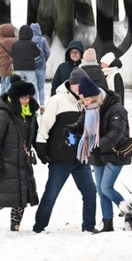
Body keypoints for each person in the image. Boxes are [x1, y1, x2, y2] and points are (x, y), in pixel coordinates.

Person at [32, 68, 97, 234]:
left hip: (80, 159)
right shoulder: (57, 100)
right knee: (51, 194)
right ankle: (39, 226)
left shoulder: (87, 101)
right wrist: (42, 150)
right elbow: (44, 126)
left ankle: (89, 225)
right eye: (78, 85)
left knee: (90, 192)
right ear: (72, 84)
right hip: (60, 158)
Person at [71, 76, 132, 233]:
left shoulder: (116, 108)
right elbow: (81, 123)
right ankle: (108, 223)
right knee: (100, 190)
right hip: (98, 153)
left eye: (87, 100)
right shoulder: (90, 108)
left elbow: (117, 133)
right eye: (83, 100)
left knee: (106, 187)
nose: (85, 103)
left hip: (115, 152)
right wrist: (71, 128)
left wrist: (100, 144)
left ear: (95, 97)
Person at [0, 74, 39, 232]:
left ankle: (15, 227)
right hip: (7, 161)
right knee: (6, 196)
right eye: (23, 98)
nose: (26, 100)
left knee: (22, 197)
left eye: (28, 97)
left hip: (24, 161)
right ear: (15, 98)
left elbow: (34, 136)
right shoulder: (4, 113)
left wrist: (44, 153)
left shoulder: (30, 113)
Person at [10, 25, 41, 103]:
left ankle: (19, 107)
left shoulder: (15, 44)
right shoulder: (32, 44)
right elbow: (38, 54)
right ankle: (33, 107)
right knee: (32, 88)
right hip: (30, 69)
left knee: (19, 89)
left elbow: (11, 55)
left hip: (18, 69)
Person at [0, 23, 18, 94]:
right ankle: (7, 103)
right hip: (8, 68)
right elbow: (21, 41)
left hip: (0, 69)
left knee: (3, 86)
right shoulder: (8, 41)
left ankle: (2, 101)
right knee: (9, 87)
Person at [30, 23, 50, 113]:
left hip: (32, 67)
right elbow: (48, 52)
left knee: (33, 87)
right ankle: (42, 105)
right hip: (41, 67)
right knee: (41, 87)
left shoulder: (29, 40)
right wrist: (44, 60)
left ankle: (34, 105)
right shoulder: (43, 40)